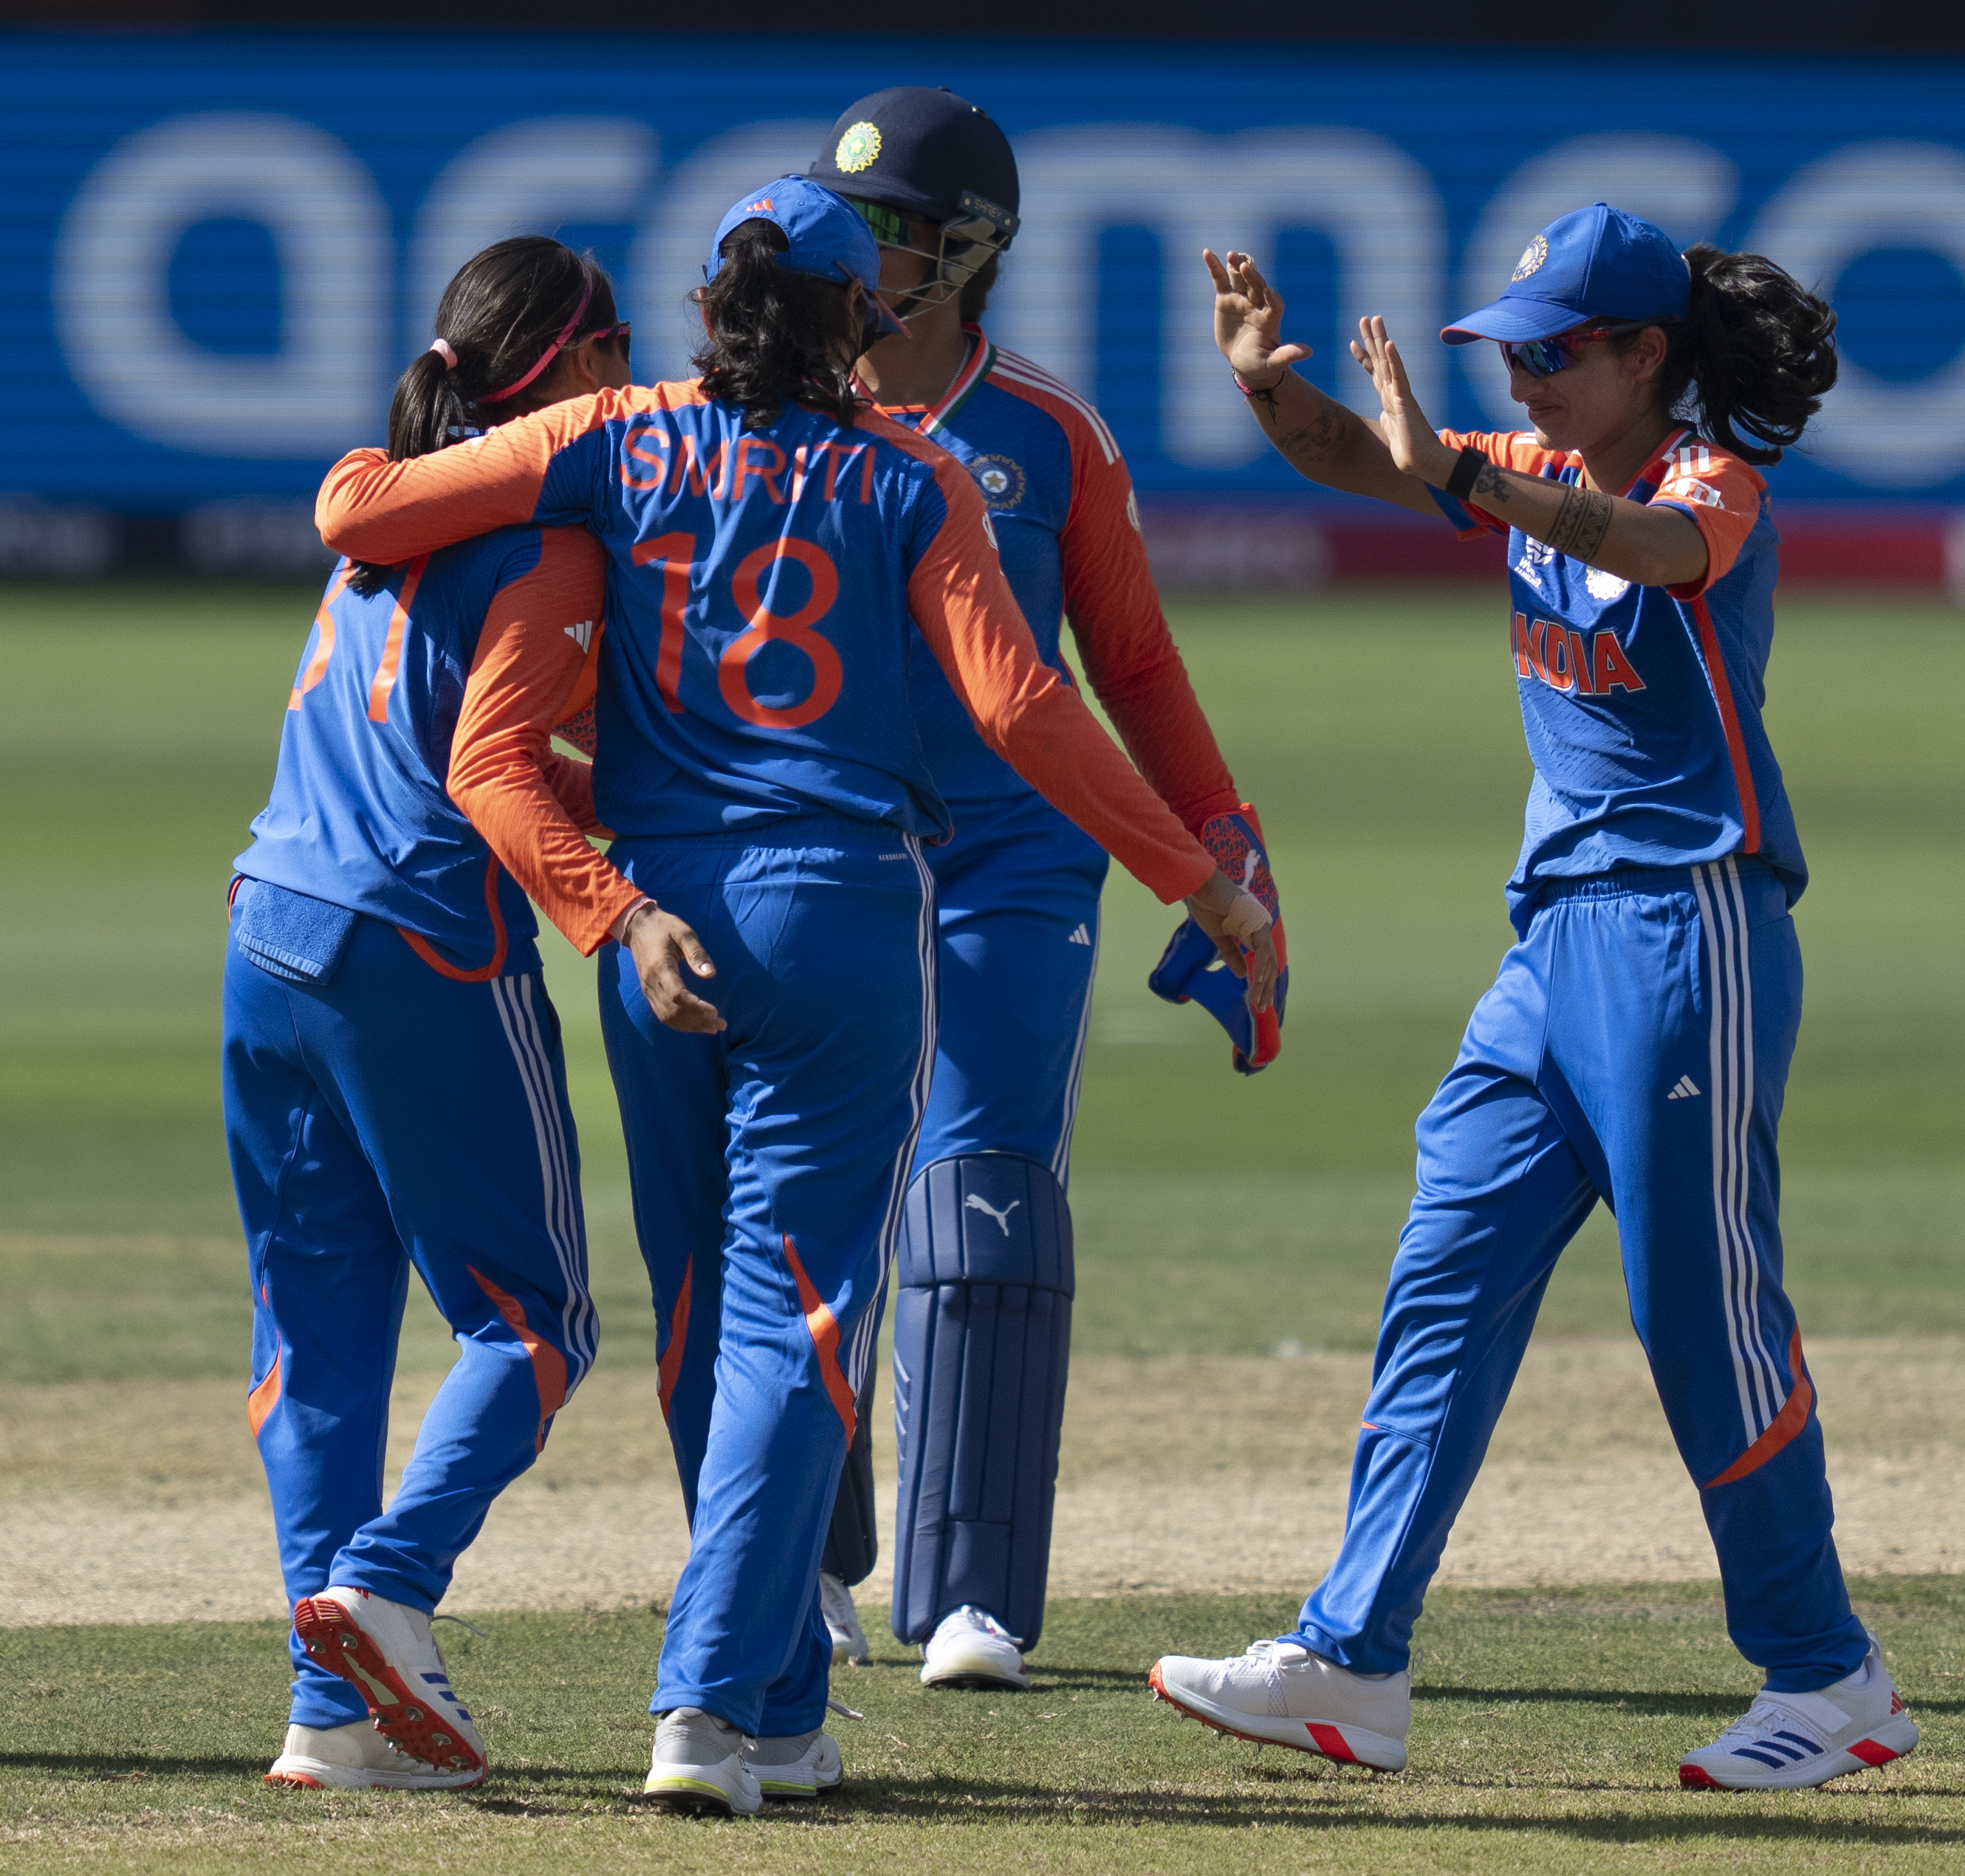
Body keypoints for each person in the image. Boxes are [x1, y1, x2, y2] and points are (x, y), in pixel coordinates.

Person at [319, 176, 1275, 1815]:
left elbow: (363, 515)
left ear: (705, 313)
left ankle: (773, 1699)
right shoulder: (909, 471)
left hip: (656, 924)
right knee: (799, 1325)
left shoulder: (611, 435)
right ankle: (705, 1698)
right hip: (836, 918)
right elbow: (1023, 703)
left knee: (709, 1324)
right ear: (866, 318)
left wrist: (365, 455)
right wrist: (1198, 878)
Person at [1149, 204, 1916, 1790]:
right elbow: (1353, 460)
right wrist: (1266, 389)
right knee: (1446, 1267)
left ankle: (1829, 1676)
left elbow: (1655, 551)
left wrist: (1463, 475)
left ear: (1648, 354)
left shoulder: (1707, 480)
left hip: (1684, 924)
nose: (1529, 372)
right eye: (1516, 349)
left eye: (1557, 350)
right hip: (1549, 947)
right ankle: (1351, 1659)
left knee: (1696, 1307)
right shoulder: (1535, 466)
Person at [800, 86, 1288, 1691]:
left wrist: (1216, 830)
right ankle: (797, 1560)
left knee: (983, 1193)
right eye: (849, 220)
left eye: (892, 229)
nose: (862, 254)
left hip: (1014, 854)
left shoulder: (1047, 436)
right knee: (814, 1210)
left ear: (971, 251)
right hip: (825, 847)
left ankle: (967, 1590)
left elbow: (1130, 661)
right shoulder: (771, 409)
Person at [227, 236, 630, 1794]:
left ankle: (324, 1709)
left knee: (317, 1343)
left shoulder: (389, 509)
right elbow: (500, 772)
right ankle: (388, 1583)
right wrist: (619, 905)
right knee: (532, 1320)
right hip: (421, 943)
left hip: (265, 938)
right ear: (578, 368)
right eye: (614, 353)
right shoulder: (546, 542)